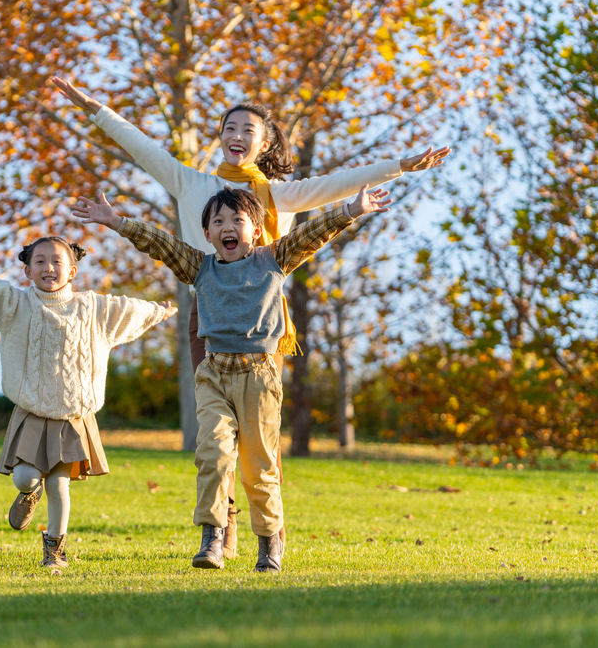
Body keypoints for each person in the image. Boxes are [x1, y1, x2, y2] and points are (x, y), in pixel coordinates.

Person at [53, 76, 448, 557]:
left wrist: (400, 167)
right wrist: (89, 104)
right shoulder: (190, 182)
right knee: (214, 440)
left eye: (248, 130)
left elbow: (337, 191)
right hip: (208, 310)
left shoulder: (276, 197)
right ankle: (221, 533)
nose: (236, 136)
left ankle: (269, 534)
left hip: (261, 324)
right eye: (229, 127)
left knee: (258, 445)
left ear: (264, 143)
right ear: (220, 136)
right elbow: (137, 144)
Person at [73, 183, 393, 572]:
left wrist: (350, 210)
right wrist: (117, 222)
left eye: (237, 220)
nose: (228, 226)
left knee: (258, 467)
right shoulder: (199, 267)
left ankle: (269, 541)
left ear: (255, 230)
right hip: (214, 374)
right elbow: (159, 243)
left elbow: (312, 233)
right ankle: (213, 536)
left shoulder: (273, 259)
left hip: (258, 377)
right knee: (212, 454)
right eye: (218, 221)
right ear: (207, 234)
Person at [0, 219, 177, 569]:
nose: (48, 267)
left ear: (71, 271)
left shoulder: (93, 308)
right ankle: (29, 493)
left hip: (73, 414)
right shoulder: (14, 305)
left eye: (57, 261)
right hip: (32, 410)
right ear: (27, 271)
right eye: (40, 261)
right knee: (26, 477)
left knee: (59, 485)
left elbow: (129, 308)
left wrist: (160, 311)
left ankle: (55, 550)